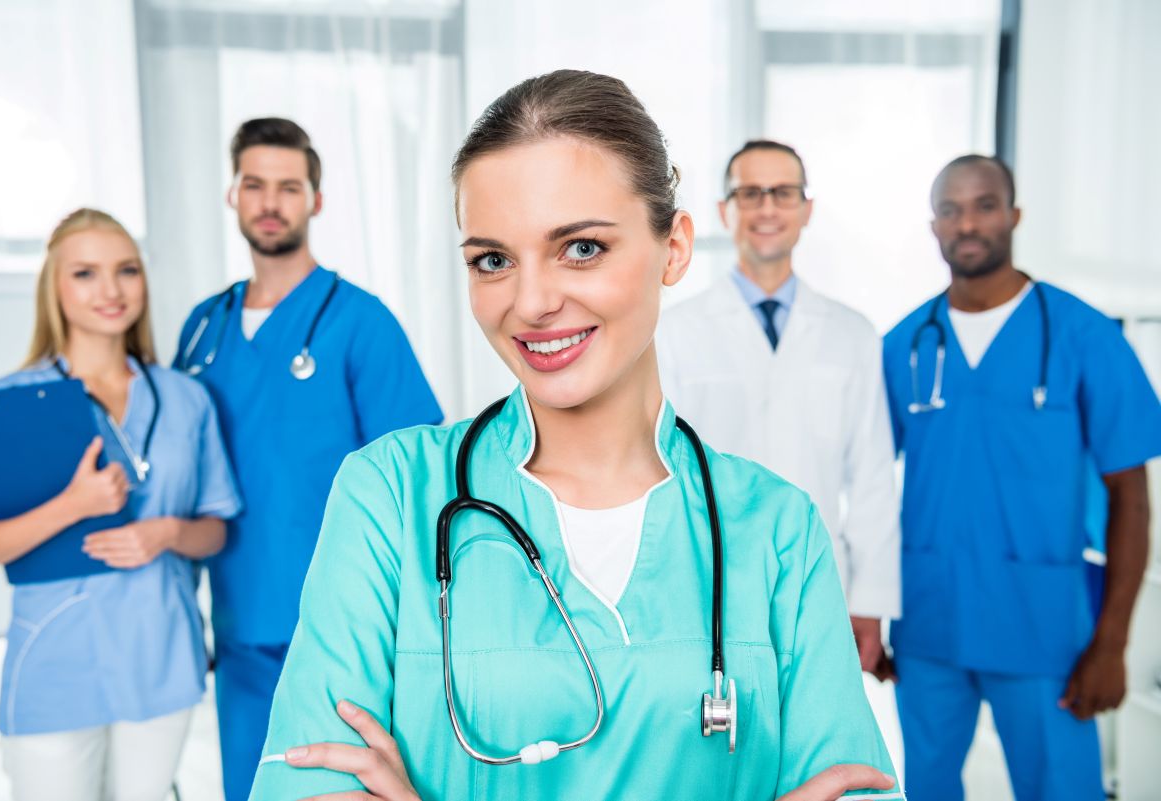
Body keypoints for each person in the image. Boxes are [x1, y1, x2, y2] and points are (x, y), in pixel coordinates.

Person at [247, 71, 901, 801]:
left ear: (675, 248)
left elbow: (858, 786)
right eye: (493, 260)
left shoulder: (777, 528)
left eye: (581, 248)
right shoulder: (392, 495)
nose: (531, 302)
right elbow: (305, 782)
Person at [174, 117, 443, 801]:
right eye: (255, 184)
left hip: (338, 627)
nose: (271, 202)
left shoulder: (359, 321)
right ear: (232, 194)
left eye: (289, 187)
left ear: (316, 200)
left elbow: (417, 478)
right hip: (238, 624)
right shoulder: (203, 328)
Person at [883, 154, 1161, 801]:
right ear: (934, 225)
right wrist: (866, 610)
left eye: (984, 205)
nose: (967, 223)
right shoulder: (906, 345)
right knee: (927, 789)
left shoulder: (1083, 335)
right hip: (930, 622)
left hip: (1042, 628)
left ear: (1014, 215)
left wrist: (1112, 643)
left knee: (1062, 789)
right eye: (950, 209)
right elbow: (863, 484)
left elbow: (1131, 498)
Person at [0, 209, 241, 801]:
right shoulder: (0, 406)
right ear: (54, 287)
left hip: (161, 657)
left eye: (127, 270)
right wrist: (72, 506)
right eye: (85, 273)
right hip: (55, 666)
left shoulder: (186, 398)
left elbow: (216, 528)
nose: (111, 290)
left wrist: (167, 532)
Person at [656, 140, 900, 672]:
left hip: (822, 578)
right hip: (707, 576)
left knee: (815, 717)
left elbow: (872, 477)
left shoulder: (853, 334)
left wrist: (870, 603)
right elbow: (658, 466)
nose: (767, 208)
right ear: (724, 210)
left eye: (783, 193)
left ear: (806, 209)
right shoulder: (673, 331)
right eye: (750, 193)